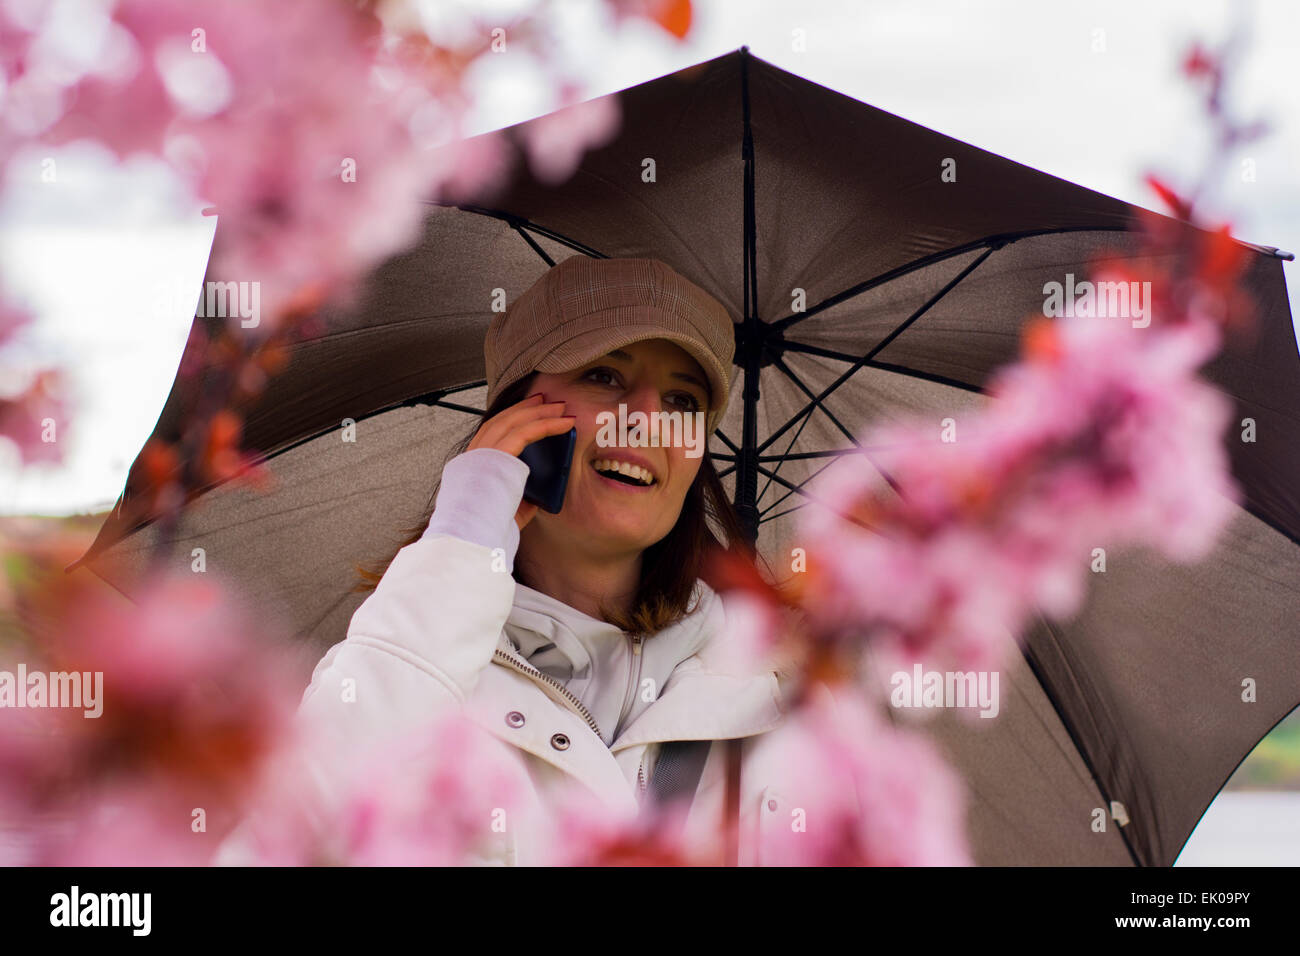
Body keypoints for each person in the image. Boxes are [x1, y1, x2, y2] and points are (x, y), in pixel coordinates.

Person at [216, 255, 794, 866]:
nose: (648, 419)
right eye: (604, 376)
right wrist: (462, 543)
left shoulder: (781, 705)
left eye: (683, 400)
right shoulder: (409, 671)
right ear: (516, 418)